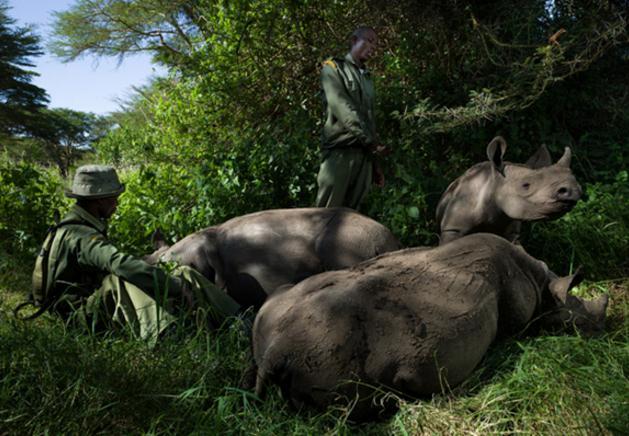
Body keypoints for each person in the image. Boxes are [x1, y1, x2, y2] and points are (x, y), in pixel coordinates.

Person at [20, 164, 241, 343]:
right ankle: (170, 336)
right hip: (75, 318)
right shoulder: (81, 235)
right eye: (113, 198)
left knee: (183, 271)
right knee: (120, 279)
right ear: (99, 201)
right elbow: (119, 264)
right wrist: (173, 286)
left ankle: (239, 321)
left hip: (82, 305)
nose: (116, 203)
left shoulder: (76, 225)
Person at [315, 26, 389, 210]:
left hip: (364, 157)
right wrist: (371, 142)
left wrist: (375, 164)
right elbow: (343, 108)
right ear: (354, 40)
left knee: (351, 218)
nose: (373, 47)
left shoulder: (367, 77)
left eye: (376, 44)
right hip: (340, 154)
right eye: (369, 41)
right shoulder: (333, 69)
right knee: (326, 216)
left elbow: (369, 120)